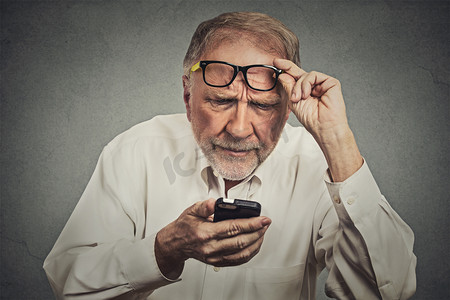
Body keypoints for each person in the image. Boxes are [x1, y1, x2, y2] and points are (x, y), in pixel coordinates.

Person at [43, 12, 416, 300]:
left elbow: (388, 291)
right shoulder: (135, 151)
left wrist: (338, 141)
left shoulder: (321, 166)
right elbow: (68, 282)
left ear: (287, 111)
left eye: (263, 105)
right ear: (188, 99)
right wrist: (163, 251)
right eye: (221, 101)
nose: (239, 128)